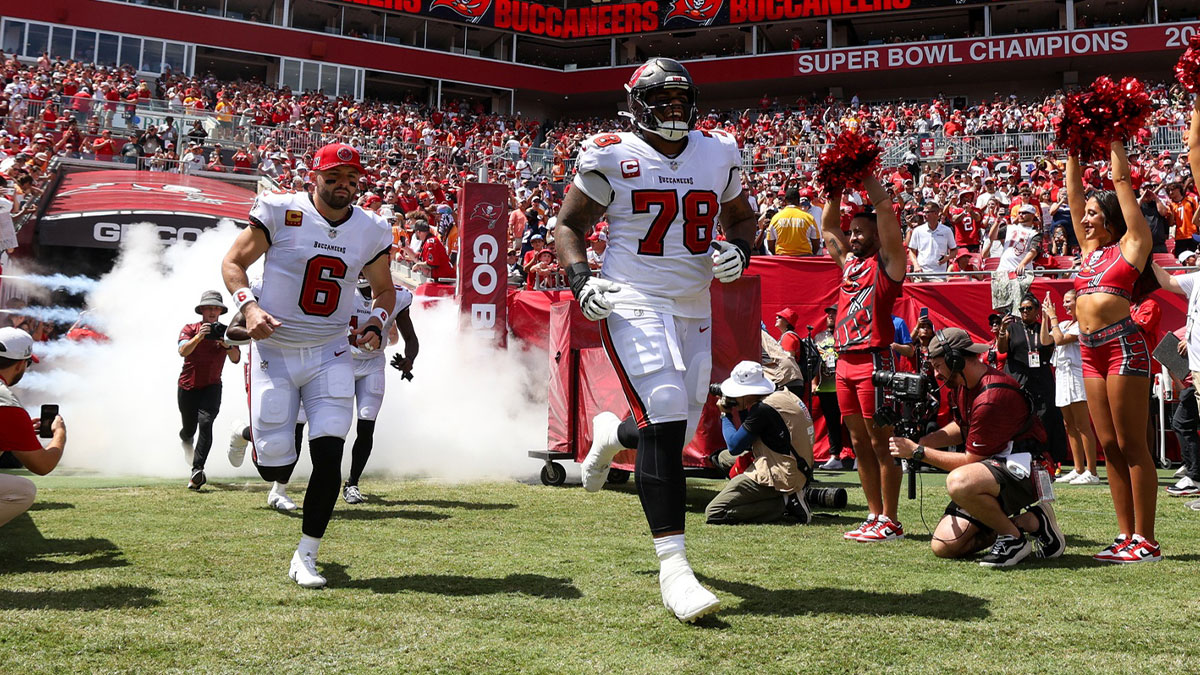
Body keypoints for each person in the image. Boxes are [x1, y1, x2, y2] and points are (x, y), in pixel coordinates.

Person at [556, 58, 757, 622]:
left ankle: (608, 435)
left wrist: (738, 250)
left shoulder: (718, 150)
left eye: (680, 99)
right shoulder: (610, 152)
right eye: (661, 99)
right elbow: (569, 225)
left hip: (693, 302)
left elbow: (742, 217)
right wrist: (580, 278)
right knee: (665, 410)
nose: (673, 109)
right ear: (636, 102)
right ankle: (675, 567)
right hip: (631, 296)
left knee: (676, 421)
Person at [221, 142, 395, 588]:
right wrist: (250, 307)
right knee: (277, 461)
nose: (343, 186)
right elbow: (233, 262)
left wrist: (376, 321)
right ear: (314, 177)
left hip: (329, 351)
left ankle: (306, 554)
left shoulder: (371, 229)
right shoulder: (282, 210)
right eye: (334, 177)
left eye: (352, 179)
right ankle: (248, 435)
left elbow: (384, 290)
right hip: (275, 348)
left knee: (329, 454)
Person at [888, 328, 1065, 567]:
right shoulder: (964, 385)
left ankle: (1013, 539)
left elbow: (971, 460)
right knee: (945, 546)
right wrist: (925, 441)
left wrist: (918, 452)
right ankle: (1033, 522)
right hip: (997, 468)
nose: (937, 374)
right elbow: (962, 427)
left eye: (939, 366)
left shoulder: (992, 396)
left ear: (955, 360)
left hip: (1030, 468)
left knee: (959, 481)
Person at [1066, 140, 1157, 563]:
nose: (1084, 219)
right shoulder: (1088, 252)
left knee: (1131, 443)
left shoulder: (1132, 245)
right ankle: (1125, 536)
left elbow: (1121, 180)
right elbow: (1072, 193)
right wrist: (1072, 148)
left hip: (1123, 348)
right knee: (1108, 445)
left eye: (1093, 214)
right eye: (1084, 215)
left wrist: (1114, 137)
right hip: (1089, 352)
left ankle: (1147, 540)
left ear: (1112, 220)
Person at [821, 175, 908, 543]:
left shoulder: (889, 264)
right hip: (844, 362)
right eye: (852, 231)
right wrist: (835, 187)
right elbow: (826, 226)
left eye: (859, 231)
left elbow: (886, 210)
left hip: (874, 361)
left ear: (876, 235)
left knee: (880, 442)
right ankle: (873, 515)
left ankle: (891, 518)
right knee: (857, 443)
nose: (853, 237)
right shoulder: (849, 265)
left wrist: (867, 172)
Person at [705, 361, 814, 525]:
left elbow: (735, 446)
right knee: (722, 457)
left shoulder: (762, 410)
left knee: (714, 512)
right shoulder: (782, 395)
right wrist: (741, 407)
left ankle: (784, 503)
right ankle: (787, 495)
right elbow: (752, 438)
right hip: (797, 466)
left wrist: (725, 415)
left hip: (783, 474)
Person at [342, 278, 417, 505]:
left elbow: (410, 337)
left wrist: (409, 359)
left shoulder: (397, 296)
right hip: (340, 362)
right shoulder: (341, 286)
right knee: (334, 425)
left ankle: (352, 483)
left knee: (366, 425)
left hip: (373, 364)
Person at [0, 327, 66, 529]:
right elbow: (43, 465)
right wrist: (60, 433)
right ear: (20, 365)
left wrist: (19, 430)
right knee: (23, 490)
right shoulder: (8, 405)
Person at [177, 290, 240, 489]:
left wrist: (227, 344)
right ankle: (186, 440)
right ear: (202, 310)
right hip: (187, 386)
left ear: (221, 311)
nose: (213, 311)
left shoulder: (227, 330)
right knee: (189, 428)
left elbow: (236, 358)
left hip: (212, 386)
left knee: (206, 423)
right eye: (209, 307)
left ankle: (197, 470)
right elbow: (182, 351)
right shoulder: (189, 328)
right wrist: (199, 337)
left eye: (216, 308)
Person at [996, 293, 1066, 465]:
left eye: (1029, 308)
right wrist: (1002, 330)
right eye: (1022, 309)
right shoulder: (1013, 328)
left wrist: (1044, 318)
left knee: (1045, 416)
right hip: (1018, 376)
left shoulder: (1041, 327)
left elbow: (1046, 344)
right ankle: (1015, 454)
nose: (1025, 311)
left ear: (1036, 310)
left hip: (1040, 377)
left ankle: (1048, 458)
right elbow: (1002, 349)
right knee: (1017, 415)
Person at [1042, 289, 1099, 485]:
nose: (1065, 305)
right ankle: (1078, 468)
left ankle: (1092, 471)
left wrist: (1053, 318)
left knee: (1083, 424)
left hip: (1077, 375)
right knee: (1069, 425)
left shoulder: (1083, 324)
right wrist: (1044, 317)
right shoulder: (1065, 324)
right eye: (1064, 302)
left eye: (1068, 301)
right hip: (1062, 375)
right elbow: (1045, 340)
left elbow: (1060, 339)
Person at [813, 306, 849, 470]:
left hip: (846, 385)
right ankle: (835, 457)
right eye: (828, 313)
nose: (830, 315)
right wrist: (814, 383)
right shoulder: (819, 337)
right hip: (826, 388)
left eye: (834, 312)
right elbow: (815, 363)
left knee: (851, 422)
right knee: (832, 423)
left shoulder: (847, 334)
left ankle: (858, 456)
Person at [906, 201, 957, 280]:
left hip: (940, 275)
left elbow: (954, 251)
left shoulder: (947, 231)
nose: (924, 215)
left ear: (936, 213)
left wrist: (947, 257)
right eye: (924, 212)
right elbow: (911, 251)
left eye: (927, 212)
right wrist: (916, 265)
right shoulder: (918, 230)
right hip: (921, 274)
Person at [766, 187, 819, 255]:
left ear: (785, 200)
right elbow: (816, 244)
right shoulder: (809, 218)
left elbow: (770, 246)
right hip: (804, 260)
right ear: (798, 200)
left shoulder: (775, 218)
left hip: (782, 260)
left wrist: (778, 256)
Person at [996, 205, 1043, 274]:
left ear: (1032, 215)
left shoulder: (1035, 233)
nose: (1020, 215)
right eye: (1019, 213)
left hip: (1022, 270)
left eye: (1024, 213)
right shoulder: (1009, 227)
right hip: (1003, 269)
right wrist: (997, 221)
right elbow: (992, 237)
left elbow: (1034, 250)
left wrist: (1023, 264)